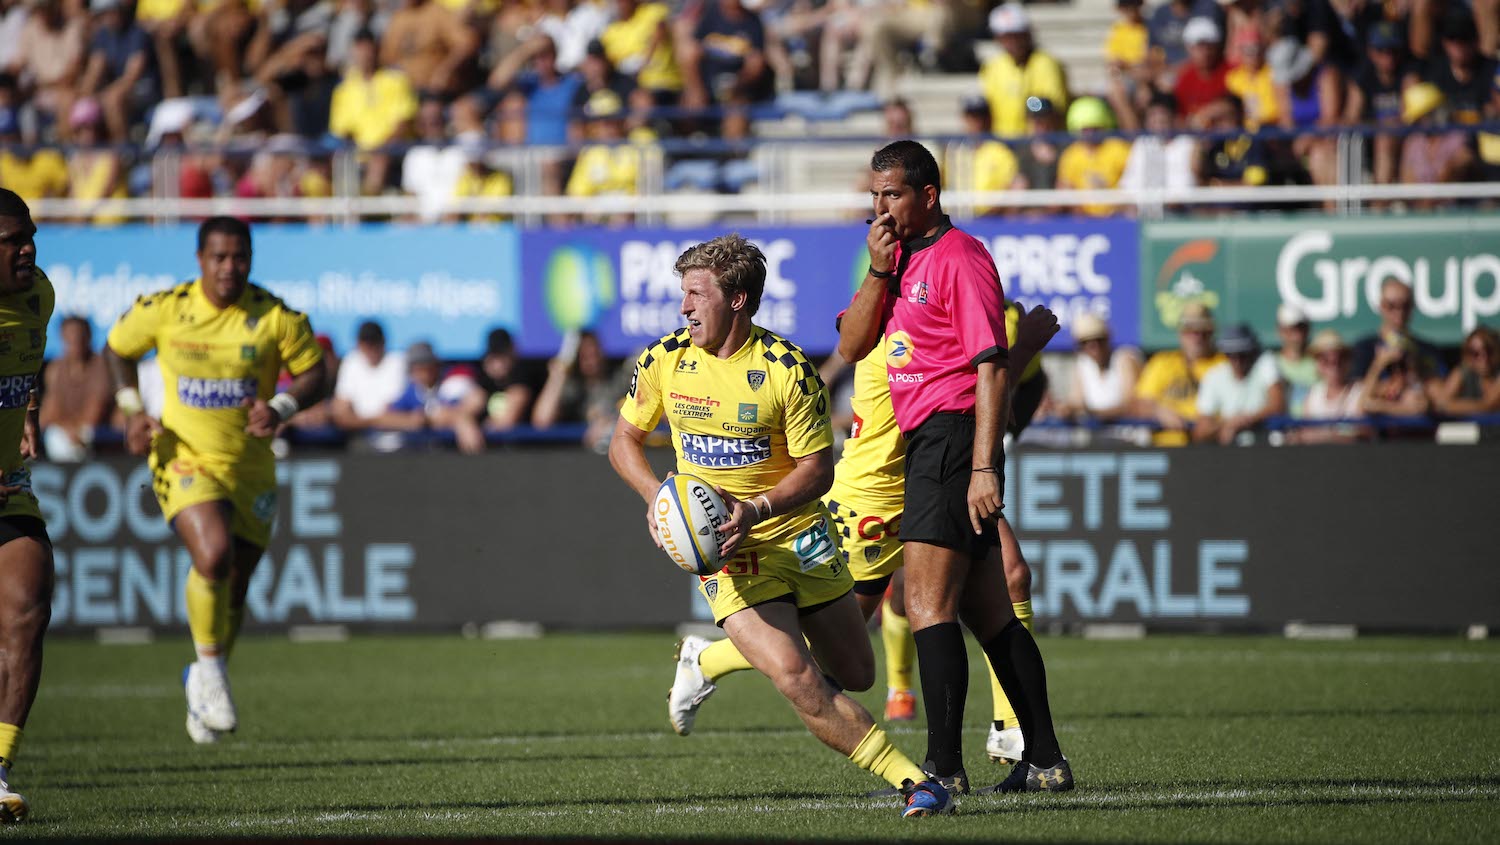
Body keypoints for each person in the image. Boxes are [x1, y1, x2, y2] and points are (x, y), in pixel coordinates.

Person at [607, 233, 954, 818]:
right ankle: (915, 783)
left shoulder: (787, 369)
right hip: (727, 553)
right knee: (795, 675)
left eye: (696, 294)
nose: (684, 307)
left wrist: (759, 509)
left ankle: (706, 657)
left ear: (738, 299)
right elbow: (624, 442)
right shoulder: (665, 358)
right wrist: (658, 497)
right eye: (683, 294)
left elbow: (819, 469)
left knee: (856, 672)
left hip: (799, 535)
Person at [669, 300, 1061, 772]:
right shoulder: (898, 340)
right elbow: (969, 393)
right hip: (871, 501)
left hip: (936, 482)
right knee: (834, 654)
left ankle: (1010, 730)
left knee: (1012, 575)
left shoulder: (950, 320)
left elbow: (1002, 396)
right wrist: (1022, 349)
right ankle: (707, 660)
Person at [839, 140, 1071, 794]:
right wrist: (879, 272)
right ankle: (1046, 757)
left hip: (952, 436)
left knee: (925, 602)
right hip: (928, 441)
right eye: (875, 195)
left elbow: (990, 364)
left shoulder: (960, 257)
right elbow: (852, 343)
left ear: (928, 196)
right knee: (991, 613)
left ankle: (944, 765)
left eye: (893, 195)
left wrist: (982, 466)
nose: (879, 207)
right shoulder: (897, 261)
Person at [103, 217, 330, 745]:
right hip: (183, 457)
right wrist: (132, 410)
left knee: (237, 584)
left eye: (240, 257)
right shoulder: (166, 308)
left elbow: (316, 373)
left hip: (251, 467)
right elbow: (117, 350)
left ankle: (202, 677)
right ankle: (212, 674)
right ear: (201, 259)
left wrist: (281, 405)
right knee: (214, 555)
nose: (231, 268)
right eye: (220, 258)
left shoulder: (274, 316)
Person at [0, 189, 58, 823]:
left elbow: (27, 363)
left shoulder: (39, 293)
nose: (28, 249)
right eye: (12, 240)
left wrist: (29, 415)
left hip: (8, 484)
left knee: (28, 602)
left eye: (31, 235)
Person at [1133, 301, 1226, 446]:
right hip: (1166, 447)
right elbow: (1139, 403)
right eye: (1190, 330)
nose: (1197, 337)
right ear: (1181, 332)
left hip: (1212, 447)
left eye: (1203, 332)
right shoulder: (1162, 362)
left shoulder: (1224, 363)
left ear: (1212, 332)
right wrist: (1158, 411)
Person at [978, 3, 1069, 138]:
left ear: (1027, 34)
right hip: (1003, 143)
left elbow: (1052, 111)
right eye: (1006, 37)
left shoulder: (1046, 64)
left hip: (1037, 142)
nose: (1012, 42)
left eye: (1017, 35)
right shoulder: (992, 67)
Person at [382, 341, 488, 453]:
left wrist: (461, 418)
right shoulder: (411, 391)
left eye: (426, 365)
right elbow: (387, 416)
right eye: (417, 368)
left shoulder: (451, 382)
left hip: (453, 450)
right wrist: (415, 420)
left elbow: (478, 398)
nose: (423, 372)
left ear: (436, 365)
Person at [1193, 323, 1285, 445]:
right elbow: (1200, 431)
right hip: (1232, 453)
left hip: (1267, 445)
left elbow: (1277, 405)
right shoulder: (1213, 376)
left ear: (1252, 351)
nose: (1238, 361)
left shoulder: (1266, 362)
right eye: (1231, 354)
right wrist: (1228, 424)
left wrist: (1243, 421)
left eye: (1243, 354)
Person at [39, 316, 111, 463]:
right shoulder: (55, 369)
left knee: (85, 434)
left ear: (89, 336)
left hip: (94, 433)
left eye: (79, 336)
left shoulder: (101, 366)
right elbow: (48, 413)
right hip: (64, 432)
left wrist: (76, 430)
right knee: (54, 437)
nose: (75, 342)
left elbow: (95, 412)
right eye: (70, 338)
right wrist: (67, 428)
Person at [1349, 277, 1445, 387]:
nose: (1399, 311)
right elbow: (1356, 392)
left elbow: (1440, 392)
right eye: (1391, 305)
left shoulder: (1427, 350)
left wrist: (1417, 368)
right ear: (1381, 306)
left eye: (1405, 305)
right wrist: (1378, 365)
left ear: (1412, 307)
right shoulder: (1364, 348)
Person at [330, 320, 409, 440]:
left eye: (374, 343)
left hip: (395, 440)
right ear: (359, 344)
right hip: (358, 439)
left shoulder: (398, 361)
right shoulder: (351, 361)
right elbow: (341, 410)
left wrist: (359, 420)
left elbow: (394, 411)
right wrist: (375, 421)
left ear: (383, 342)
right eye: (366, 344)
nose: (370, 349)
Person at [1058, 311, 1141, 422]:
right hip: (1096, 435)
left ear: (1107, 339)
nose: (1094, 347)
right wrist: (1065, 409)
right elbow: (1076, 401)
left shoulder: (1124, 359)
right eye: (1085, 343)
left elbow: (1131, 406)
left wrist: (1093, 413)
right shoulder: (1083, 364)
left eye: (1099, 340)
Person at [1291, 328, 1367, 444]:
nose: (1333, 361)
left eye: (1340, 356)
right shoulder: (1313, 394)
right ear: (1317, 363)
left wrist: (1326, 437)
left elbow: (1364, 433)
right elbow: (1304, 433)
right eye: (1324, 358)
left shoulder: (1360, 391)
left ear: (1348, 360)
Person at [1256, 305, 1317, 414]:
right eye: (1290, 330)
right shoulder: (1269, 364)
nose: (1296, 336)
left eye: (1300, 328)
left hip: (1313, 428)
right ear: (1280, 330)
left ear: (1307, 329)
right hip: (1281, 429)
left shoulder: (1322, 364)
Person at [1430, 327, 1500, 417]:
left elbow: (1490, 404)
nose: (1483, 358)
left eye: (1489, 350)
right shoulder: (1463, 372)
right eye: (1475, 353)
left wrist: (1455, 406)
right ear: (1467, 355)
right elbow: (1442, 404)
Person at [475, 327, 532, 432]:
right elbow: (464, 410)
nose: (498, 362)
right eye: (494, 356)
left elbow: (507, 421)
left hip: (525, 446)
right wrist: (464, 421)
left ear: (513, 352)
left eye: (502, 355)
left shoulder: (523, 377)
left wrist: (481, 426)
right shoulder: (484, 381)